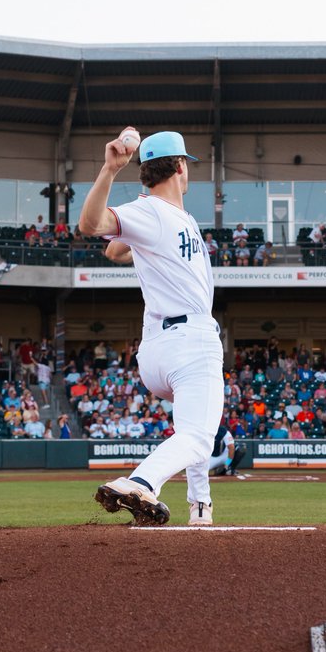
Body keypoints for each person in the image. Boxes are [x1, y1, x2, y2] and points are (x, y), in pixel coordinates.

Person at [80, 129, 222, 527]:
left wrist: (138, 242)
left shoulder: (163, 216)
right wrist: (109, 169)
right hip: (190, 340)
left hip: (158, 350)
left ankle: (200, 507)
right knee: (197, 437)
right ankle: (140, 481)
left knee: (193, 427)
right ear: (180, 166)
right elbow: (91, 225)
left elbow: (112, 248)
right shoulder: (154, 210)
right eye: (186, 165)